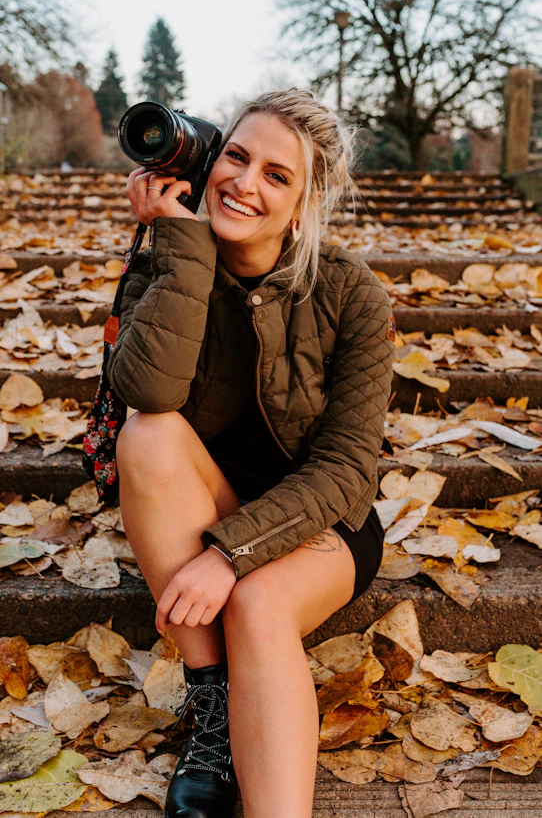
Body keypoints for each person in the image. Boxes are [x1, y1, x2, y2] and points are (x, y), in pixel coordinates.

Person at [107, 89, 395, 818]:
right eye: (236, 155)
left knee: (260, 600)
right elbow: (143, 388)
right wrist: (181, 249)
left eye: (276, 174)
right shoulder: (169, 257)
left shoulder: (351, 294)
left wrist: (230, 554)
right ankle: (214, 709)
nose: (244, 181)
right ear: (208, 161)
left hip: (321, 523)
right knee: (148, 430)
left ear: (302, 205)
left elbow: (349, 469)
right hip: (205, 499)